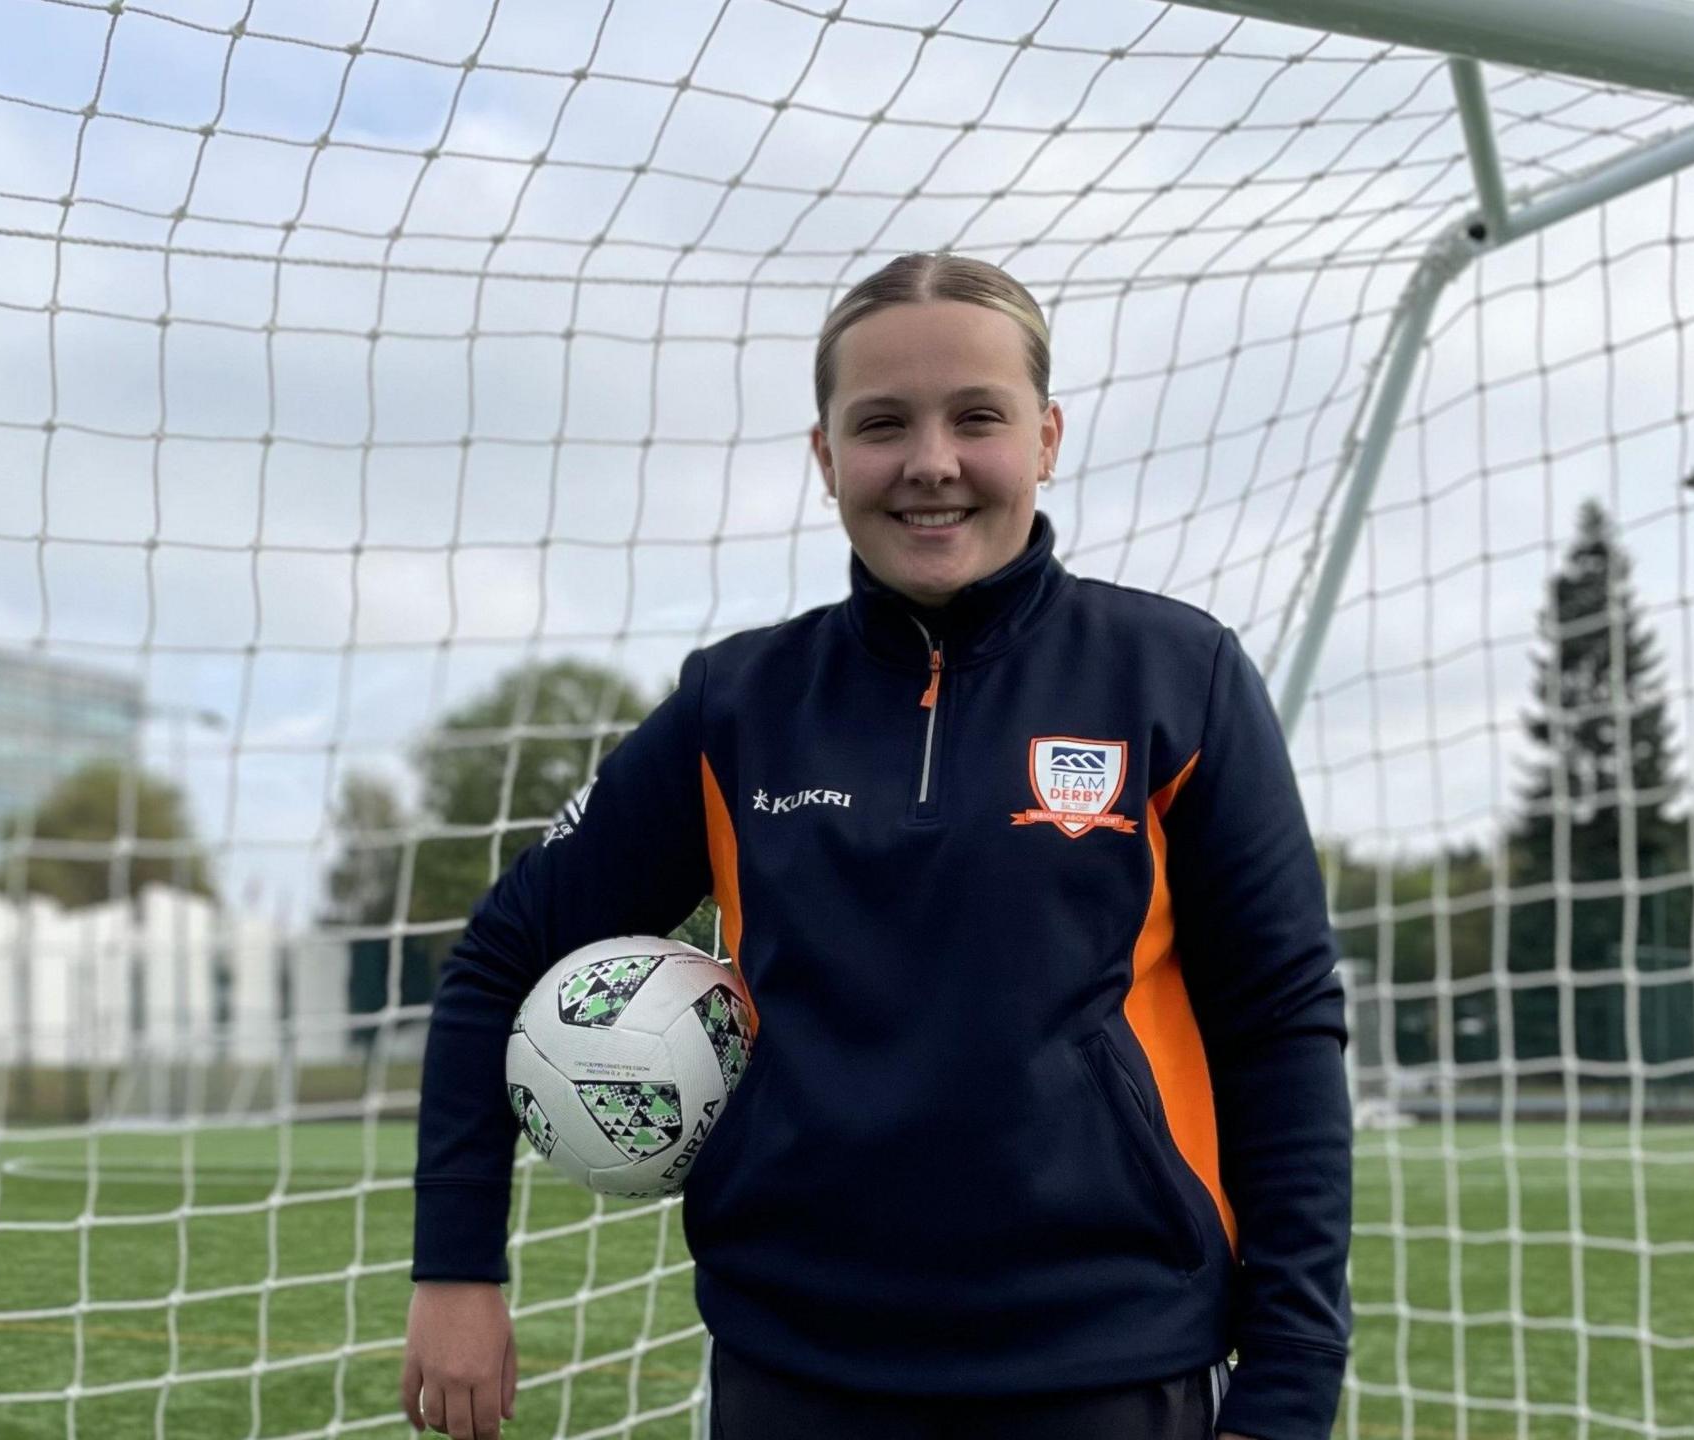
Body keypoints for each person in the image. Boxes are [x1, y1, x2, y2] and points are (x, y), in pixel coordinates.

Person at [399, 252, 1351, 1440]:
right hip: (791, 1373)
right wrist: (456, 1270)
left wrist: (1291, 1380)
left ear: (1046, 439)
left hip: (1111, 1373)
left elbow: (1280, 1023)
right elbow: (500, 957)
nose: (931, 463)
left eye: (977, 418)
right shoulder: (736, 707)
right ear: (825, 457)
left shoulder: (1176, 677)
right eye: (883, 424)